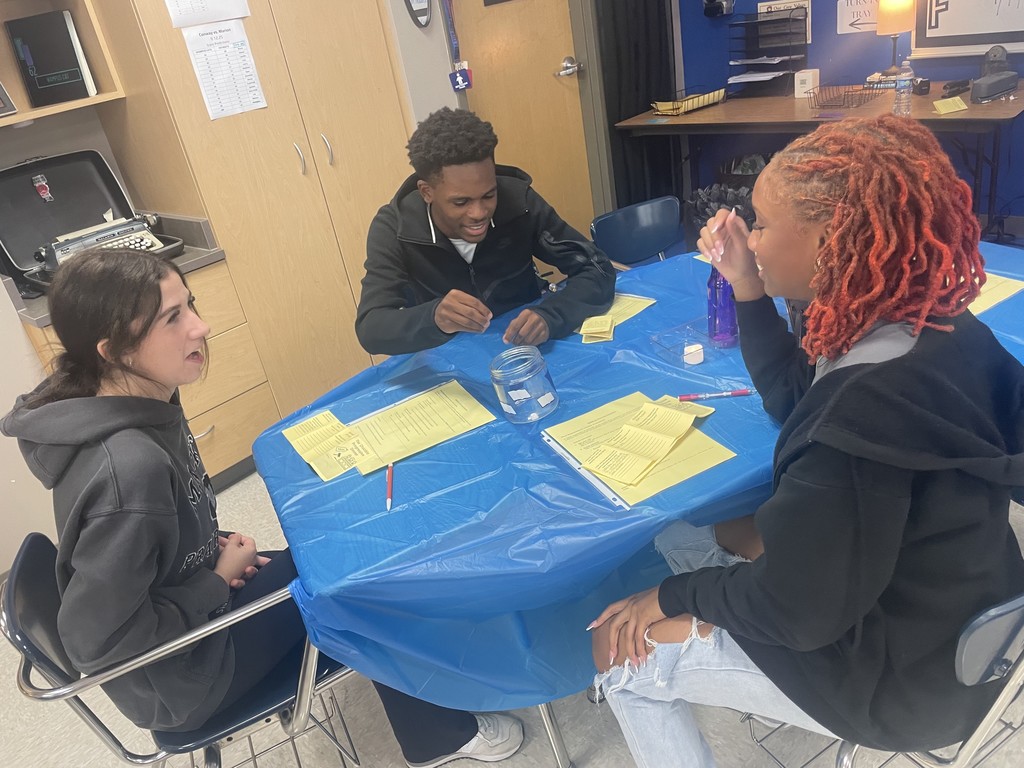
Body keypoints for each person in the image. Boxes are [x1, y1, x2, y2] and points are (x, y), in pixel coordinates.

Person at [587, 115, 1024, 767]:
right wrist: (746, 284)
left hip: (902, 682)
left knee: (617, 654)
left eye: (760, 224)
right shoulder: (939, 328)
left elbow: (799, 613)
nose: (752, 237)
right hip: (972, 616)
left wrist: (671, 597)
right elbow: (801, 398)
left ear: (829, 238)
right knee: (685, 534)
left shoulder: (857, 425)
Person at [1, 249, 523, 768]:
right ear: (113, 350)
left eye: (191, 305)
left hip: (186, 620)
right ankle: (439, 738)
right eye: (173, 318)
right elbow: (97, 643)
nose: (201, 327)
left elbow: (147, 542)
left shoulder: (135, 395)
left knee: (338, 550)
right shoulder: (127, 470)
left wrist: (203, 550)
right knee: (362, 581)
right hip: (185, 675)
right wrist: (212, 581)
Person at [356, 107, 615, 355]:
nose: (479, 213)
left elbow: (597, 268)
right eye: (461, 202)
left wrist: (551, 316)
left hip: (527, 348)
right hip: (448, 359)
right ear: (427, 192)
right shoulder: (394, 228)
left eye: (489, 195)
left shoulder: (518, 203)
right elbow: (371, 327)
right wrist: (433, 317)